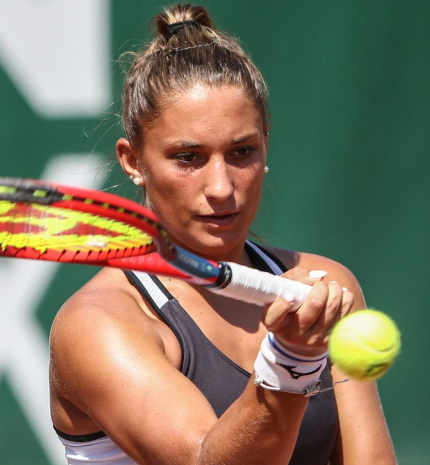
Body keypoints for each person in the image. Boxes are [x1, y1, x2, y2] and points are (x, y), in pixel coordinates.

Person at [49, 4, 397, 464]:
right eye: (188, 157)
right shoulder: (97, 324)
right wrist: (291, 361)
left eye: (242, 151)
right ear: (133, 162)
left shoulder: (328, 285)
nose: (221, 187)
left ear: (266, 142)